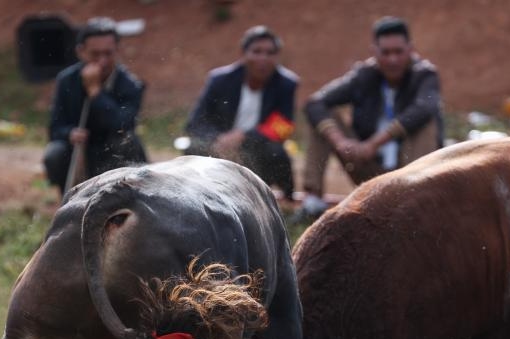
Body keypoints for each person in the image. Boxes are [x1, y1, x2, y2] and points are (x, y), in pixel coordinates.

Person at [298, 16, 443, 219]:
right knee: (323, 118)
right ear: (373, 52)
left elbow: (424, 108)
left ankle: (418, 204)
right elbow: (315, 103)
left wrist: (374, 143)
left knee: (425, 122)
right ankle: (312, 202)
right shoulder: (363, 76)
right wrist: (340, 142)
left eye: (398, 52)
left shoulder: (425, 75)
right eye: (386, 53)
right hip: (368, 169)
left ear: (410, 49)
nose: (392, 59)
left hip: (409, 171)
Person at [185, 25, 298, 197]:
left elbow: (283, 127)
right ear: (243, 54)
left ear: (277, 57)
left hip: (258, 150)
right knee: (193, 146)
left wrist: (243, 137)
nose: (263, 58)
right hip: (220, 147)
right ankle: (197, 193)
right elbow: (195, 123)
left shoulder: (286, 84)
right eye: (257, 51)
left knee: (276, 151)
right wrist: (218, 140)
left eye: (270, 53)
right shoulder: (219, 80)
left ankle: (282, 197)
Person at [43, 17, 147, 196]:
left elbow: (122, 125)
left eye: (108, 53)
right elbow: (55, 128)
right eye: (95, 54)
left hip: (112, 153)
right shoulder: (67, 81)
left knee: (128, 144)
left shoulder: (131, 85)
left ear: (118, 51)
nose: (102, 61)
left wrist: (96, 92)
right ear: (81, 51)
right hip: (79, 153)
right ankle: (67, 197)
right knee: (55, 152)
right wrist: (70, 133)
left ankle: (126, 198)